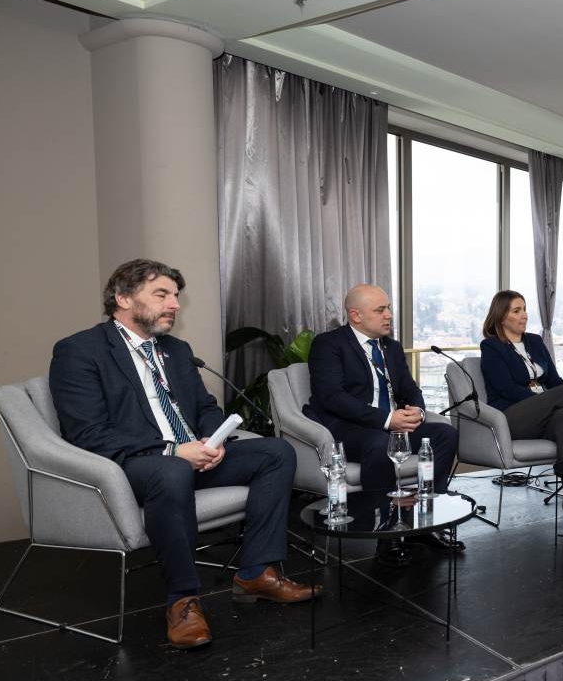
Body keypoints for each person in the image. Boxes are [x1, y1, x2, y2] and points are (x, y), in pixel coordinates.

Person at [49, 259, 317, 650]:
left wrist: (214, 440)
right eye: (162, 294)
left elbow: (204, 407)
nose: (174, 304)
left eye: (176, 296)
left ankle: (257, 573)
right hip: (134, 465)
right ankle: (183, 600)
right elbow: (87, 434)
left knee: (276, 452)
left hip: (192, 456)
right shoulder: (80, 351)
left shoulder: (176, 349)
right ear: (123, 298)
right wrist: (173, 450)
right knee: (171, 471)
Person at [306, 284, 463, 566]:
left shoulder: (391, 347)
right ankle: (387, 533)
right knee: (380, 443)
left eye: (388, 308)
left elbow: (410, 389)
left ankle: (425, 521)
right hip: (350, 428)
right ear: (355, 315)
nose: (389, 315)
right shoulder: (329, 344)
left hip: (393, 426)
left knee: (445, 434)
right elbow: (332, 397)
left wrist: (417, 411)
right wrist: (388, 420)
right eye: (380, 310)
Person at [478, 290, 563, 535]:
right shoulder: (491, 346)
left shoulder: (534, 341)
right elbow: (506, 389)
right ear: (501, 317)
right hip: (512, 417)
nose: (524, 315)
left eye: (524, 309)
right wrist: (547, 399)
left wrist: (553, 399)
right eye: (516, 310)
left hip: (544, 415)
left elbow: (554, 380)